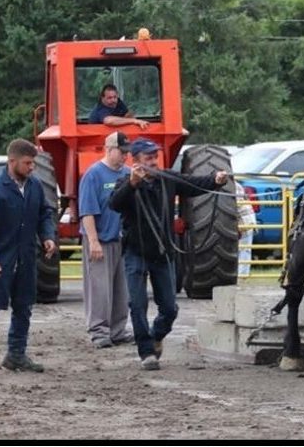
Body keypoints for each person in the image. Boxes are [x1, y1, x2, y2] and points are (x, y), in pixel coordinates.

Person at [109, 137, 229, 370]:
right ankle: (146, 353)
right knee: (137, 304)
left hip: (163, 253)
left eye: (155, 157)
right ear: (135, 161)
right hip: (136, 253)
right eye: (148, 158)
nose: (153, 162)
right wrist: (132, 184)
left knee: (170, 308)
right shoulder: (126, 182)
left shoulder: (167, 179)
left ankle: (156, 335)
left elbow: (194, 183)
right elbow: (114, 204)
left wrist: (216, 180)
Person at [0, 139, 57, 375]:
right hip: (0, 259)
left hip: (26, 259)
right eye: (27, 163)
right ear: (12, 161)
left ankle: (16, 355)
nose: (31, 168)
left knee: (24, 307)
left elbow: (44, 213)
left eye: (33, 163)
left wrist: (47, 235)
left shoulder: (35, 187)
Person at [78, 132, 134, 349]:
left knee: (122, 288)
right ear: (109, 149)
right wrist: (93, 241)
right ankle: (99, 330)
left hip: (121, 240)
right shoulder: (93, 175)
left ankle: (118, 330)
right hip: (100, 239)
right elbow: (88, 212)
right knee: (99, 288)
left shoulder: (129, 174)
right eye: (122, 152)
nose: (125, 157)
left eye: (127, 152)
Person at [236, 182, 257, 277]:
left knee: (244, 248)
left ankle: (242, 274)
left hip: (244, 219)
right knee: (244, 248)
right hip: (246, 218)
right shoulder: (236, 185)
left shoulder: (232, 186)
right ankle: (242, 274)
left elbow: (236, 205)